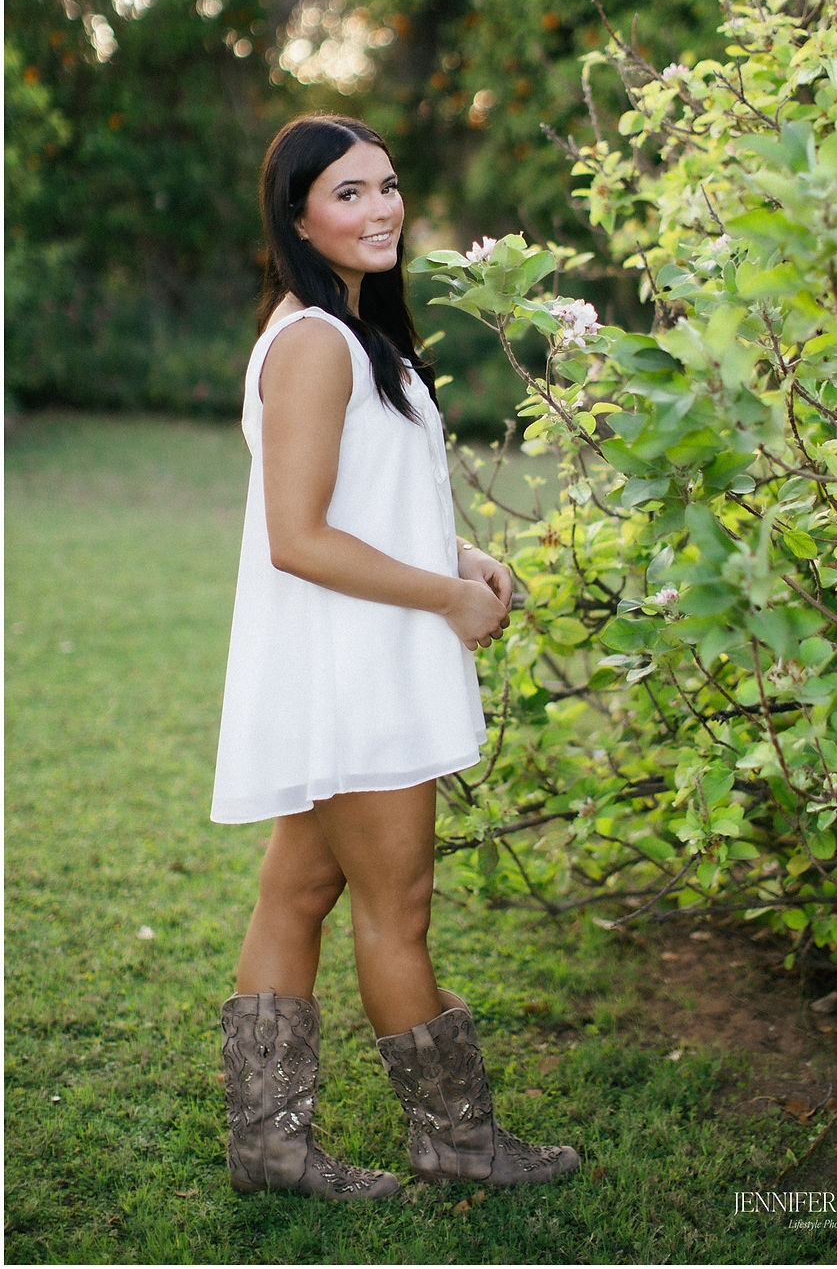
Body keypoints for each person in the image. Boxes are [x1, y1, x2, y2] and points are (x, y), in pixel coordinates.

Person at [211, 113, 579, 1200]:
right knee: (395, 905)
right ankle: (455, 1138)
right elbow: (298, 534)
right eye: (348, 193)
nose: (380, 210)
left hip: (348, 654)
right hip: (354, 669)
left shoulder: (344, 328)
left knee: (298, 891)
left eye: (386, 185)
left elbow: (358, 493)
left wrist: (457, 549)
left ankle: (269, 1146)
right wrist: (447, 600)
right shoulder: (317, 341)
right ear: (298, 216)